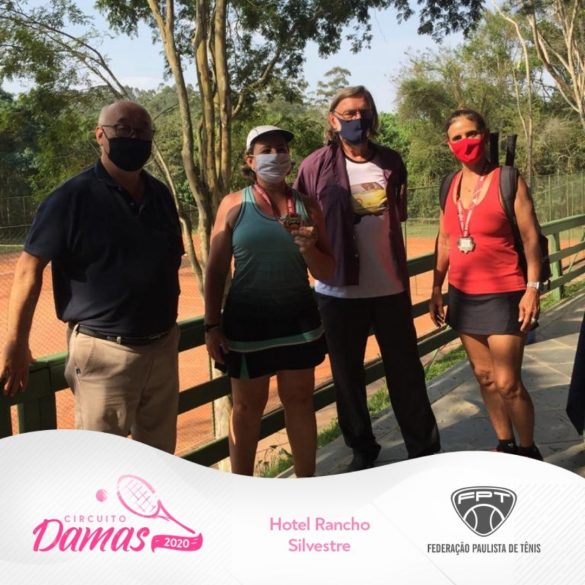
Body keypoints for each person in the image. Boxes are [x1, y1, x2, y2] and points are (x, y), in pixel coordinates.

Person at [0, 100, 183, 454]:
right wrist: (16, 343)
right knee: (101, 462)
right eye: (124, 129)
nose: (135, 137)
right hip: (104, 353)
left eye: (143, 131)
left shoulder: (160, 195)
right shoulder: (70, 198)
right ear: (100, 135)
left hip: (163, 347)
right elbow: (28, 269)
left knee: (161, 459)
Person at [294, 86, 441, 472]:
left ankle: (423, 449)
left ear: (373, 116)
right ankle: (362, 448)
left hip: (390, 286)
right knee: (347, 378)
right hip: (337, 291)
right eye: (349, 113)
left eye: (364, 111)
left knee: (406, 371)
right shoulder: (313, 166)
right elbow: (301, 218)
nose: (357, 119)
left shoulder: (391, 161)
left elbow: (398, 213)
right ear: (333, 120)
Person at [204, 125, 335, 477]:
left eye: (281, 149)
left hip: (298, 323)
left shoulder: (308, 206)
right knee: (247, 409)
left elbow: (327, 271)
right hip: (247, 326)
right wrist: (211, 325)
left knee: (300, 402)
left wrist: (309, 249)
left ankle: (306, 484)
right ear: (250, 161)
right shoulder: (233, 204)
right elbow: (216, 270)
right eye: (267, 150)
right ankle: (242, 491)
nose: (276, 155)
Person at [429, 108, 543, 460]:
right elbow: (445, 240)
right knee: (484, 376)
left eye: (472, 134)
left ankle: (529, 450)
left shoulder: (507, 179)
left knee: (508, 382)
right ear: (449, 144)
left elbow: (531, 238)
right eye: (458, 137)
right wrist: (436, 287)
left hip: (505, 293)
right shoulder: (449, 185)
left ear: (484, 135)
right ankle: (504, 444)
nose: (466, 142)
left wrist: (532, 288)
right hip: (464, 295)